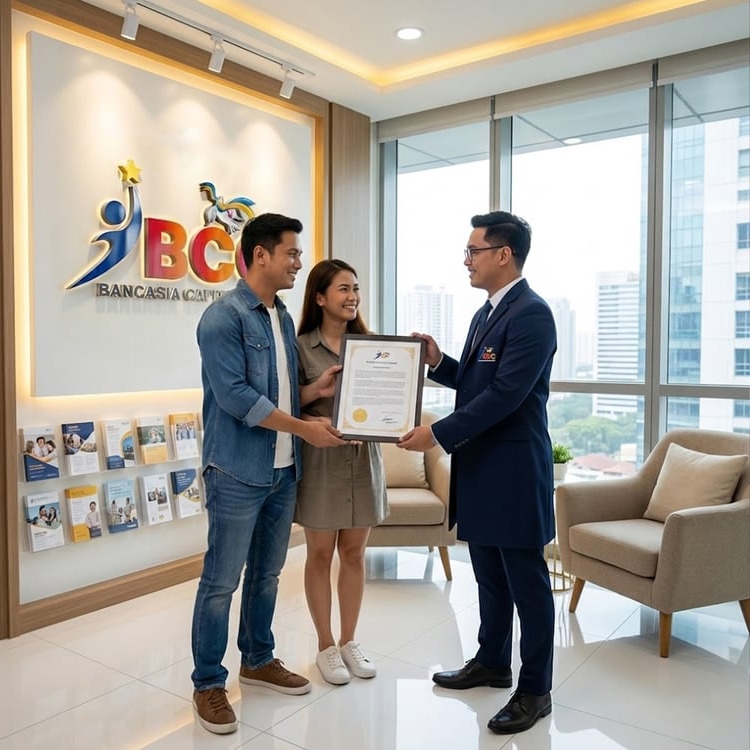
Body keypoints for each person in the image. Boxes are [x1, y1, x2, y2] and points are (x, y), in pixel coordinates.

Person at [398, 211, 557, 735]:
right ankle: (492, 661)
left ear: (503, 254)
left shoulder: (532, 314)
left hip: (512, 471)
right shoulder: (486, 313)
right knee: (488, 575)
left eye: (474, 251)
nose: (466, 260)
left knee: (527, 585)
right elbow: (474, 382)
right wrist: (438, 361)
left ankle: (535, 690)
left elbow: (506, 394)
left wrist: (436, 434)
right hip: (481, 468)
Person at [191, 213, 347, 735]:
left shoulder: (279, 316)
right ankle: (208, 683)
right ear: (261, 255)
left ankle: (257, 658)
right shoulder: (222, 318)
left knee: (267, 575)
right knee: (221, 583)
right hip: (236, 470)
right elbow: (237, 398)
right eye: (292, 253)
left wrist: (314, 392)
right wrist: (304, 428)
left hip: (283, 471)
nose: (299, 262)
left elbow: (277, 396)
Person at [295, 259, 388, 686]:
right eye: (343, 289)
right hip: (321, 463)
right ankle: (325, 646)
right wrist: (316, 401)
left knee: (353, 554)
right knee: (319, 555)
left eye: (356, 289)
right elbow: (285, 405)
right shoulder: (299, 347)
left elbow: (389, 399)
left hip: (363, 461)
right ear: (319, 297)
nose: (353, 297)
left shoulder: (373, 347)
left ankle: (350, 641)